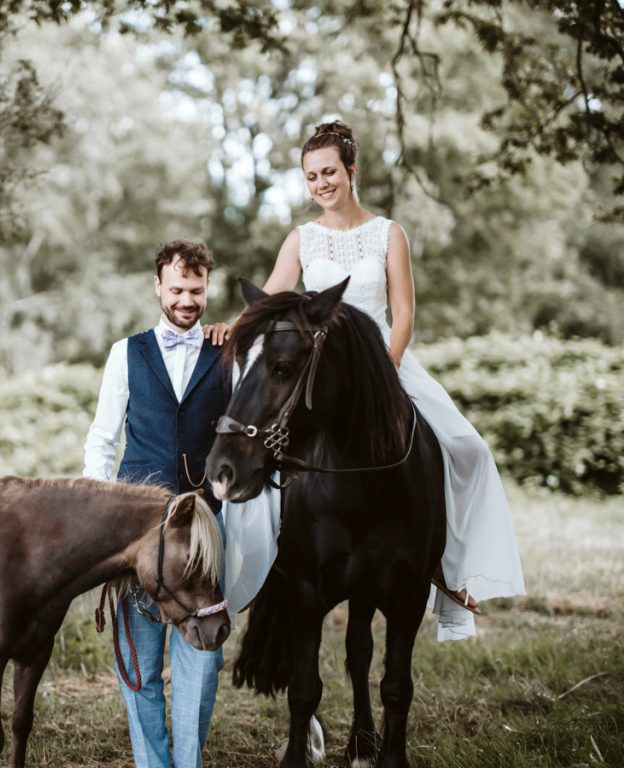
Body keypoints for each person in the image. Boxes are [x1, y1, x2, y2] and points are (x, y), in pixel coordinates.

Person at [209, 120, 526, 641]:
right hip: (319, 372)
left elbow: (402, 314)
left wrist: (388, 372)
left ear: (352, 171)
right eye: (311, 176)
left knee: (468, 448)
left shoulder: (388, 233)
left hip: (384, 365)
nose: (320, 184)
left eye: (329, 171)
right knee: (265, 441)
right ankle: (265, 563)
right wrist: (233, 324)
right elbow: (270, 303)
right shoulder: (301, 239)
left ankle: (450, 566)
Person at [83, 240, 229, 767]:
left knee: (200, 662)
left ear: (208, 287)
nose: (187, 300)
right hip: (135, 531)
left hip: (204, 531)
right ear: (157, 287)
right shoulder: (127, 352)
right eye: (177, 289)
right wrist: (99, 515)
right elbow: (102, 439)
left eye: (196, 290)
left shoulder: (227, 351)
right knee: (138, 662)